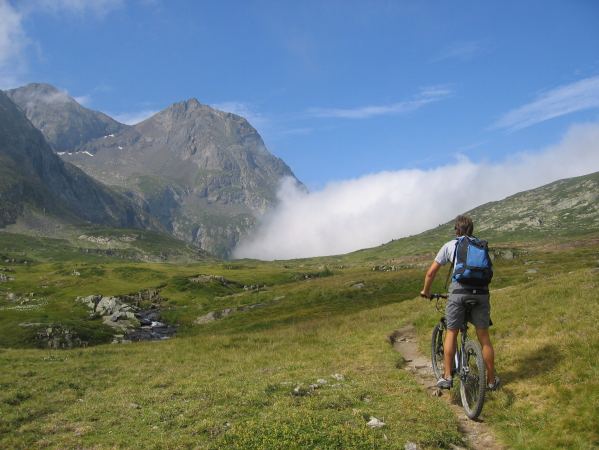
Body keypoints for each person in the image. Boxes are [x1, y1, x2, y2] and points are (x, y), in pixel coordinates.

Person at [420, 215, 500, 391]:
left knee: (451, 332)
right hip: (481, 293)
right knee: (484, 338)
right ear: (471, 230)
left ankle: (447, 376)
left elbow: (431, 273)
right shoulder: (480, 245)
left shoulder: (450, 245)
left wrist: (426, 291)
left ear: (457, 230)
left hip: (459, 292)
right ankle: (492, 381)